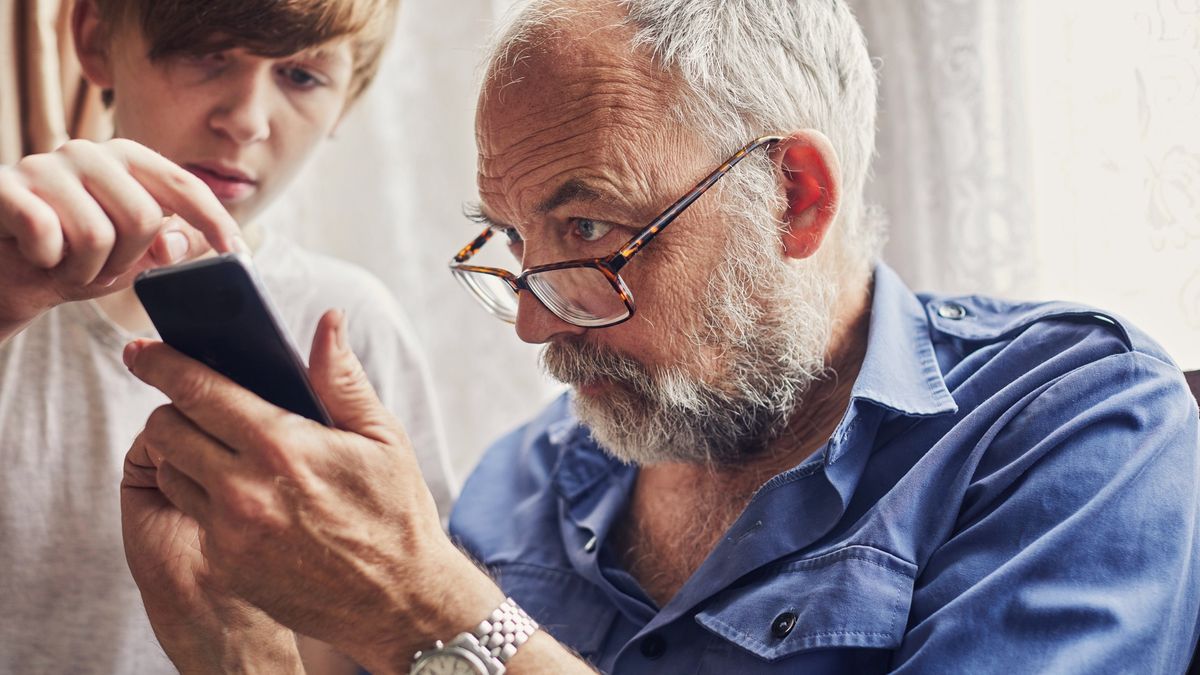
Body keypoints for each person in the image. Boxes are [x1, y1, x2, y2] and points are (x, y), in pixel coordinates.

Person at [117, 0, 1200, 672]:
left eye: (589, 231)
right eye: (513, 244)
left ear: (795, 197)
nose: (537, 322)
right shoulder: (520, 485)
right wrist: (234, 650)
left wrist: (431, 613)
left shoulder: (1078, 423)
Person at [0, 0, 456, 672]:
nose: (245, 120)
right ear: (96, 40)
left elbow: (405, 636)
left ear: (351, 93)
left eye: (301, 77)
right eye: (207, 53)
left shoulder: (352, 326)